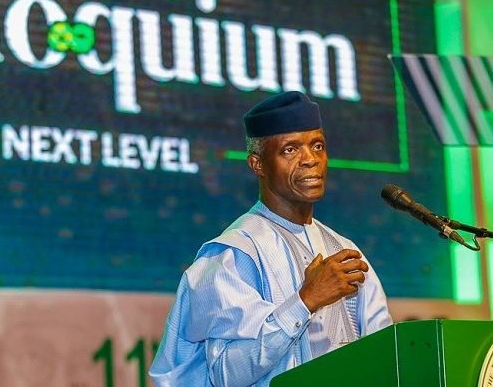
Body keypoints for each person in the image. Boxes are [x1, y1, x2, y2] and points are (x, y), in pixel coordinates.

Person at [149, 91, 392, 387]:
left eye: (318, 146)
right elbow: (227, 375)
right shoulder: (234, 254)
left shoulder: (344, 250)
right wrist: (306, 301)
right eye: (290, 150)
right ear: (258, 164)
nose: (310, 160)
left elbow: (385, 351)